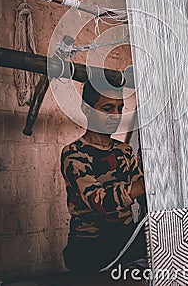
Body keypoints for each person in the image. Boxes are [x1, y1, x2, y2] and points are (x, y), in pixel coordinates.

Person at [61, 80, 147, 274]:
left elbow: (145, 197)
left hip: (125, 243)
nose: (116, 116)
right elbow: (98, 201)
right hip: (89, 247)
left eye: (119, 109)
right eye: (107, 108)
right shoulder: (74, 154)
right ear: (87, 109)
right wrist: (143, 185)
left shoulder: (124, 151)